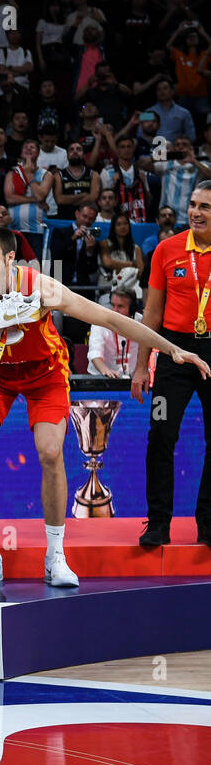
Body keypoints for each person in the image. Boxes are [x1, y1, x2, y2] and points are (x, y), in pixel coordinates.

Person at [0, 226, 209, 586]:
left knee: (50, 452)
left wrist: (171, 349)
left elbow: (108, 318)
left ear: (10, 258)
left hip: (44, 375)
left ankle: (55, 556)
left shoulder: (42, 287)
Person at [137, 182, 211, 546]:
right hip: (172, 353)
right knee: (161, 437)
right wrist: (140, 365)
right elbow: (150, 315)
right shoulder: (166, 250)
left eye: (206, 207)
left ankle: (209, 525)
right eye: (194, 204)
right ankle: (158, 523)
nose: (196, 212)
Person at [89, 290, 142, 377]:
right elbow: (95, 352)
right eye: (112, 305)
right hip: (102, 378)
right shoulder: (100, 322)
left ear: (132, 308)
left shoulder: (141, 322)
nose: (115, 310)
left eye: (120, 306)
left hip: (133, 378)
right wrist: (105, 371)